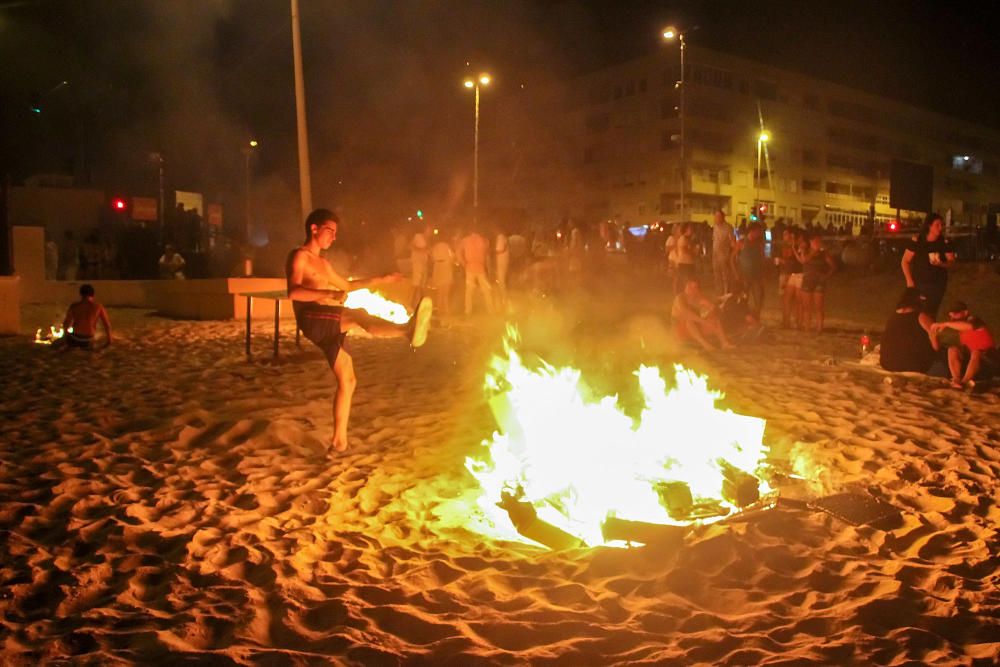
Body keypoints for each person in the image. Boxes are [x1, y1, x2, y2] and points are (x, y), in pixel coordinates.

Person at [286, 208, 433, 452]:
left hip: (326, 322)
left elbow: (347, 285)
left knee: (349, 381)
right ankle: (407, 330)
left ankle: (338, 443)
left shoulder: (323, 263)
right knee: (357, 316)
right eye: (330, 231)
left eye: (335, 233)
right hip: (312, 317)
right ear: (314, 228)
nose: (333, 237)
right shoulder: (299, 256)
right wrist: (328, 293)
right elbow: (293, 292)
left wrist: (381, 279)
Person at [901, 212, 955, 317]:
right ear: (929, 226)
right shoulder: (918, 241)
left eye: (942, 225)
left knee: (930, 313)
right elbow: (905, 261)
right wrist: (909, 281)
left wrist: (941, 264)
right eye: (937, 225)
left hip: (937, 285)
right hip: (919, 283)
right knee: (915, 312)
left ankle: (929, 331)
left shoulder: (944, 243)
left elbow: (952, 262)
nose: (940, 228)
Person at [930, 301, 996, 388]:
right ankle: (956, 380)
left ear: (965, 313)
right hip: (974, 363)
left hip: (988, 360)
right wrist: (933, 336)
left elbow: (969, 326)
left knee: (976, 352)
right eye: (950, 316)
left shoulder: (975, 321)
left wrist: (946, 324)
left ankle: (964, 382)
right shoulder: (961, 330)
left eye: (955, 314)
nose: (952, 318)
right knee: (952, 349)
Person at [879, 287, 935, 373]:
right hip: (912, 365)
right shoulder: (922, 316)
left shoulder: (893, 316)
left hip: (888, 363)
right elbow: (936, 346)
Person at [671, 277, 735, 351]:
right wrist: (705, 322)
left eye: (694, 287)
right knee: (689, 320)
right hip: (680, 331)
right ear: (685, 287)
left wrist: (710, 306)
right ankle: (706, 345)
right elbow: (687, 314)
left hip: (695, 329)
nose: (691, 289)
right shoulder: (679, 298)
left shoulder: (698, 297)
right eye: (689, 286)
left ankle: (724, 343)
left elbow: (717, 312)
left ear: (697, 289)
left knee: (715, 319)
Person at [798, 233, 836, 333]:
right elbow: (804, 261)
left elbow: (833, 266)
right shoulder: (805, 251)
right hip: (807, 280)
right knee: (807, 307)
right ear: (811, 241)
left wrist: (826, 276)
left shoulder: (824, 253)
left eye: (819, 241)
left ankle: (819, 328)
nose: (818, 243)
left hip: (819, 281)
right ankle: (807, 328)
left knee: (819, 307)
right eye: (816, 241)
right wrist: (814, 251)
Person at [61, 283, 112, 350]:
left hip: (75, 338)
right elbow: (107, 325)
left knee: (55, 345)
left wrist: (65, 338)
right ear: (93, 294)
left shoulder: (74, 306)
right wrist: (109, 340)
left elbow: (66, 324)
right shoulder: (99, 307)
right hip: (88, 339)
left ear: (81, 294)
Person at [732, 222, 766, 319]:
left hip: (757, 276)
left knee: (758, 300)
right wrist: (736, 274)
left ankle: (756, 319)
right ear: (753, 231)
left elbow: (762, 260)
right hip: (744, 276)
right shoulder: (742, 243)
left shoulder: (759, 244)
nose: (759, 234)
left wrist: (763, 274)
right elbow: (732, 259)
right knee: (743, 299)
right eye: (758, 232)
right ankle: (742, 318)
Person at [458, 227, 494, 315]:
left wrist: (464, 263)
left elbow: (458, 252)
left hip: (470, 267)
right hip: (480, 268)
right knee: (486, 290)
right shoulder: (483, 240)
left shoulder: (465, 240)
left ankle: (468, 311)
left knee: (469, 291)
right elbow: (487, 255)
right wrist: (489, 268)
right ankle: (491, 310)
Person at [776, 228, 803, 328]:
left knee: (796, 299)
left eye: (786, 234)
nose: (784, 237)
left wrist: (783, 261)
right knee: (785, 299)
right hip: (785, 273)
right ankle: (786, 321)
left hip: (794, 274)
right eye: (784, 235)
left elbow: (797, 261)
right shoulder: (782, 247)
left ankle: (797, 321)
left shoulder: (797, 247)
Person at [429, 232, 456, 317]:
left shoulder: (435, 247)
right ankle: (445, 310)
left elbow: (432, 258)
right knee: (445, 290)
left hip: (437, 267)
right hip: (445, 266)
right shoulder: (446, 246)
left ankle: (440, 310)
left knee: (439, 291)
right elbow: (452, 256)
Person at [711, 210, 735, 294]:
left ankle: (726, 293)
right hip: (715, 255)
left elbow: (732, 241)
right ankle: (719, 294)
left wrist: (732, 253)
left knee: (725, 276)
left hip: (724, 255)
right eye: (715, 216)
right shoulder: (715, 227)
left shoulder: (728, 227)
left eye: (718, 216)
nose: (715, 218)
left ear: (722, 217)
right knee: (717, 276)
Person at [674, 224, 698, 292]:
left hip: (688, 262)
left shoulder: (688, 239)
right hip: (684, 262)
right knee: (684, 279)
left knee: (689, 279)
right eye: (690, 229)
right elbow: (685, 250)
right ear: (686, 230)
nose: (692, 230)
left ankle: (688, 292)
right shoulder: (683, 239)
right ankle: (681, 293)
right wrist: (693, 251)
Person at [410, 223, 431, 298]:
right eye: (429, 230)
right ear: (425, 229)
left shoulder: (427, 240)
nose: (430, 232)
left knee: (422, 284)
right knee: (416, 283)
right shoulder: (418, 236)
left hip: (424, 263)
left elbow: (427, 251)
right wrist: (422, 250)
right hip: (417, 262)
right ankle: (410, 301)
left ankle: (420, 300)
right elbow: (411, 246)